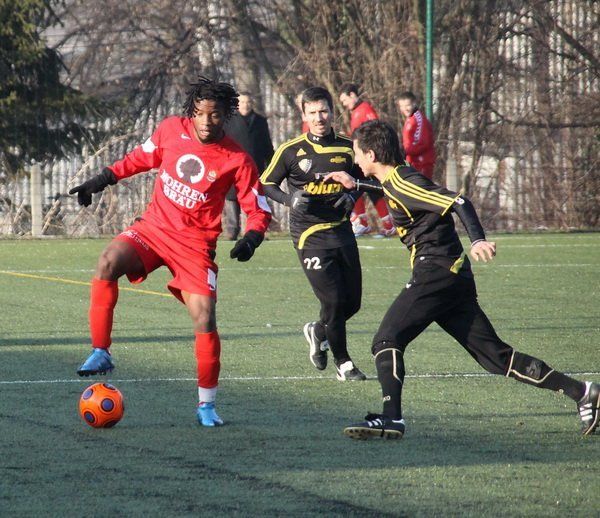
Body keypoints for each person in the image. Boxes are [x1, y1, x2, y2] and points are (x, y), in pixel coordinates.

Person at [324, 120, 599, 439]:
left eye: (357, 153)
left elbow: (459, 202)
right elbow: (398, 192)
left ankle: (392, 418)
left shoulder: (402, 181)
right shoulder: (396, 180)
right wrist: (355, 183)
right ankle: (584, 393)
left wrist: (478, 239)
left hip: (436, 271)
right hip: (453, 276)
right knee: (496, 358)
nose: (355, 160)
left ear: (371, 154)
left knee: (386, 340)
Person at [69, 77, 272, 427]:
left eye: (215, 115)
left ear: (226, 115)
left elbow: (257, 207)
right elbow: (139, 159)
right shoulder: (170, 130)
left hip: (194, 246)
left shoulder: (237, 158)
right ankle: (101, 351)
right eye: (200, 113)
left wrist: (252, 237)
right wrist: (101, 180)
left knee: (204, 317)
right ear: (191, 111)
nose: (206, 121)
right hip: (153, 229)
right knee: (107, 262)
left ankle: (206, 405)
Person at [260, 86, 366, 381]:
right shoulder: (291, 150)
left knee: (352, 303)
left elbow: (365, 177)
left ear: (332, 112)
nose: (319, 118)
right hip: (308, 234)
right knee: (333, 301)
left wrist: (352, 195)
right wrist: (289, 200)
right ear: (303, 115)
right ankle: (344, 363)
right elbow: (267, 183)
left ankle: (318, 330)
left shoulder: (348, 148)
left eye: (324, 111)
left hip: (341, 229)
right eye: (313, 112)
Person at [339, 83, 394, 238]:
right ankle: (364, 223)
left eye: (344, 100)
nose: (344, 104)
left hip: (369, 158)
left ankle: (379, 224)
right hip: (362, 157)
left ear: (352, 95)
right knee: (359, 186)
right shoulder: (356, 111)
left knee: (360, 186)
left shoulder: (365, 109)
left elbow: (375, 131)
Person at [223, 91, 274, 240]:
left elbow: (267, 144)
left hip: (255, 167)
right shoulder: (228, 120)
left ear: (252, 104)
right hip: (232, 167)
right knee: (232, 198)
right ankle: (232, 231)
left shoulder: (260, 121)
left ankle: (255, 230)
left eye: (248, 102)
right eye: (242, 102)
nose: (245, 105)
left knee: (254, 199)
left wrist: (272, 163)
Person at [397, 91, 435, 180]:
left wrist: (404, 151)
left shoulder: (418, 119)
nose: (405, 109)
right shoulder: (410, 118)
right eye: (402, 106)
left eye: (407, 105)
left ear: (414, 103)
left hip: (421, 164)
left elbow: (421, 143)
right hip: (413, 163)